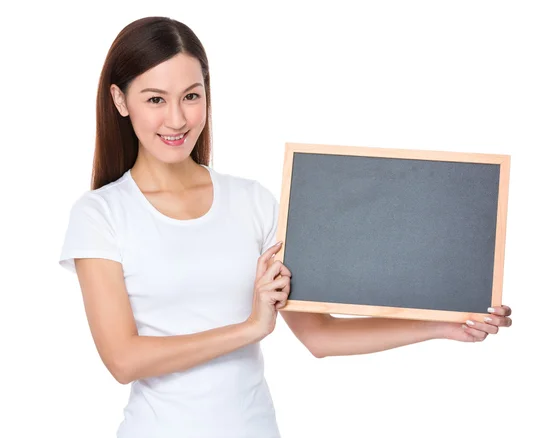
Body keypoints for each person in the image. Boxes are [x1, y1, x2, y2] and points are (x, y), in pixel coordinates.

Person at [58, 16, 513, 438]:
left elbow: (320, 335)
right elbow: (124, 360)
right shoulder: (100, 215)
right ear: (120, 100)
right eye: (155, 99)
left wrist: (443, 324)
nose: (176, 119)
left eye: (191, 96)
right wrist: (250, 328)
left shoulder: (253, 202)